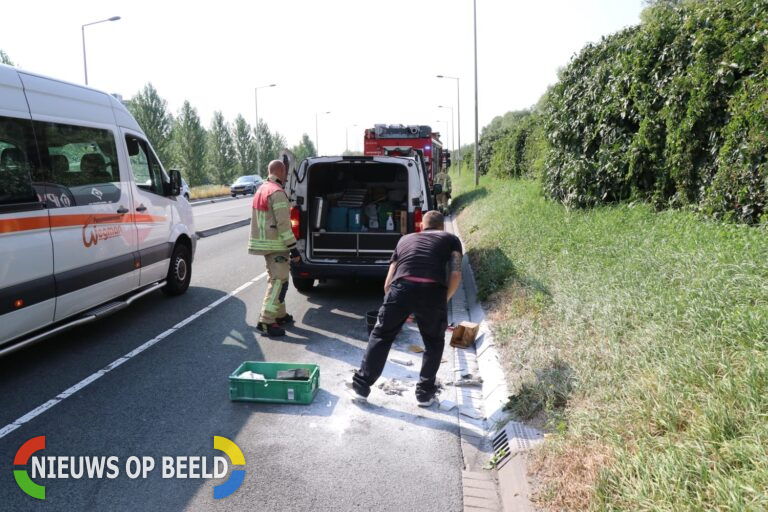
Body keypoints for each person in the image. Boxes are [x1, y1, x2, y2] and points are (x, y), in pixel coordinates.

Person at [349, 210, 463, 406]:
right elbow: (455, 274)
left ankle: (361, 387)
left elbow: (388, 282)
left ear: (421, 226)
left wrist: (398, 308)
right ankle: (424, 395)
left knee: (381, 335)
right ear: (442, 227)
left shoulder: (405, 239)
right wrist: (442, 300)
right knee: (433, 342)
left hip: (401, 289)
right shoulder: (451, 239)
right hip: (432, 290)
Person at [248, 159, 300, 336]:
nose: (286, 177)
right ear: (280, 172)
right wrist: (294, 248)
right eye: (285, 173)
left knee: (278, 279)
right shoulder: (277, 192)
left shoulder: (262, 189)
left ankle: (279, 314)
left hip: (264, 243)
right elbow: (284, 225)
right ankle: (266, 321)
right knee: (279, 282)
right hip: (276, 245)